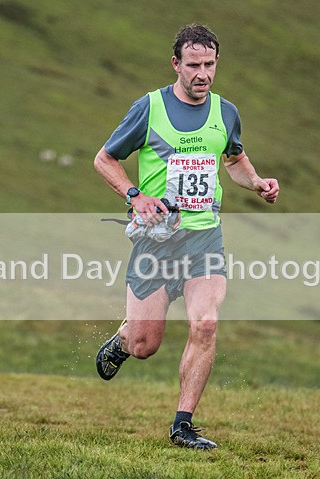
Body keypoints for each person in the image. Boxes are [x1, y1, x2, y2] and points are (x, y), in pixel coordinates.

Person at [93, 23, 279, 450]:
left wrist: (257, 183)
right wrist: (135, 195)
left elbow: (234, 159)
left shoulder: (225, 111)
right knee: (144, 345)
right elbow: (105, 159)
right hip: (155, 241)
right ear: (176, 64)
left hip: (203, 240)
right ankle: (124, 338)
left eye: (209, 65)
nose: (202, 74)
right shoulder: (150, 107)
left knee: (206, 324)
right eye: (193, 65)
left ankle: (183, 425)